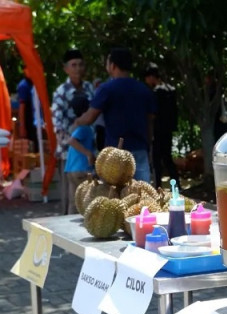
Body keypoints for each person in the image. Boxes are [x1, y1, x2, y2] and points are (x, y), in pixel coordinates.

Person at [75, 48, 156, 183]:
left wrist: (76, 122)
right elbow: (150, 121)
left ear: (112, 66)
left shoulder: (107, 89)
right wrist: (148, 146)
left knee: (115, 193)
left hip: (115, 153)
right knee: (141, 192)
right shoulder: (143, 90)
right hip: (140, 149)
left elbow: (89, 118)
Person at [51, 49, 94, 214]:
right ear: (66, 68)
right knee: (71, 200)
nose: (77, 69)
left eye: (80, 65)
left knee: (89, 199)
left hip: (89, 152)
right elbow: (58, 127)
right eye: (73, 65)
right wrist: (75, 145)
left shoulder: (89, 88)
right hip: (68, 154)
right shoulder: (61, 92)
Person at [143, 63, 180, 189]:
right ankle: (177, 184)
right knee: (168, 158)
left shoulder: (156, 92)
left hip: (158, 129)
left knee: (156, 160)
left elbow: (153, 113)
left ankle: (157, 186)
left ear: (151, 77)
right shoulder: (171, 89)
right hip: (168, 130)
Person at [64, 96, 95, 214]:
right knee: (87, 199)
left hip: (71, 168)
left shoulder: (75, 127)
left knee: (74, 201)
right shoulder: (85, 128)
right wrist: (88, 153)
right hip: (82, 169)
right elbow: (72, 141)